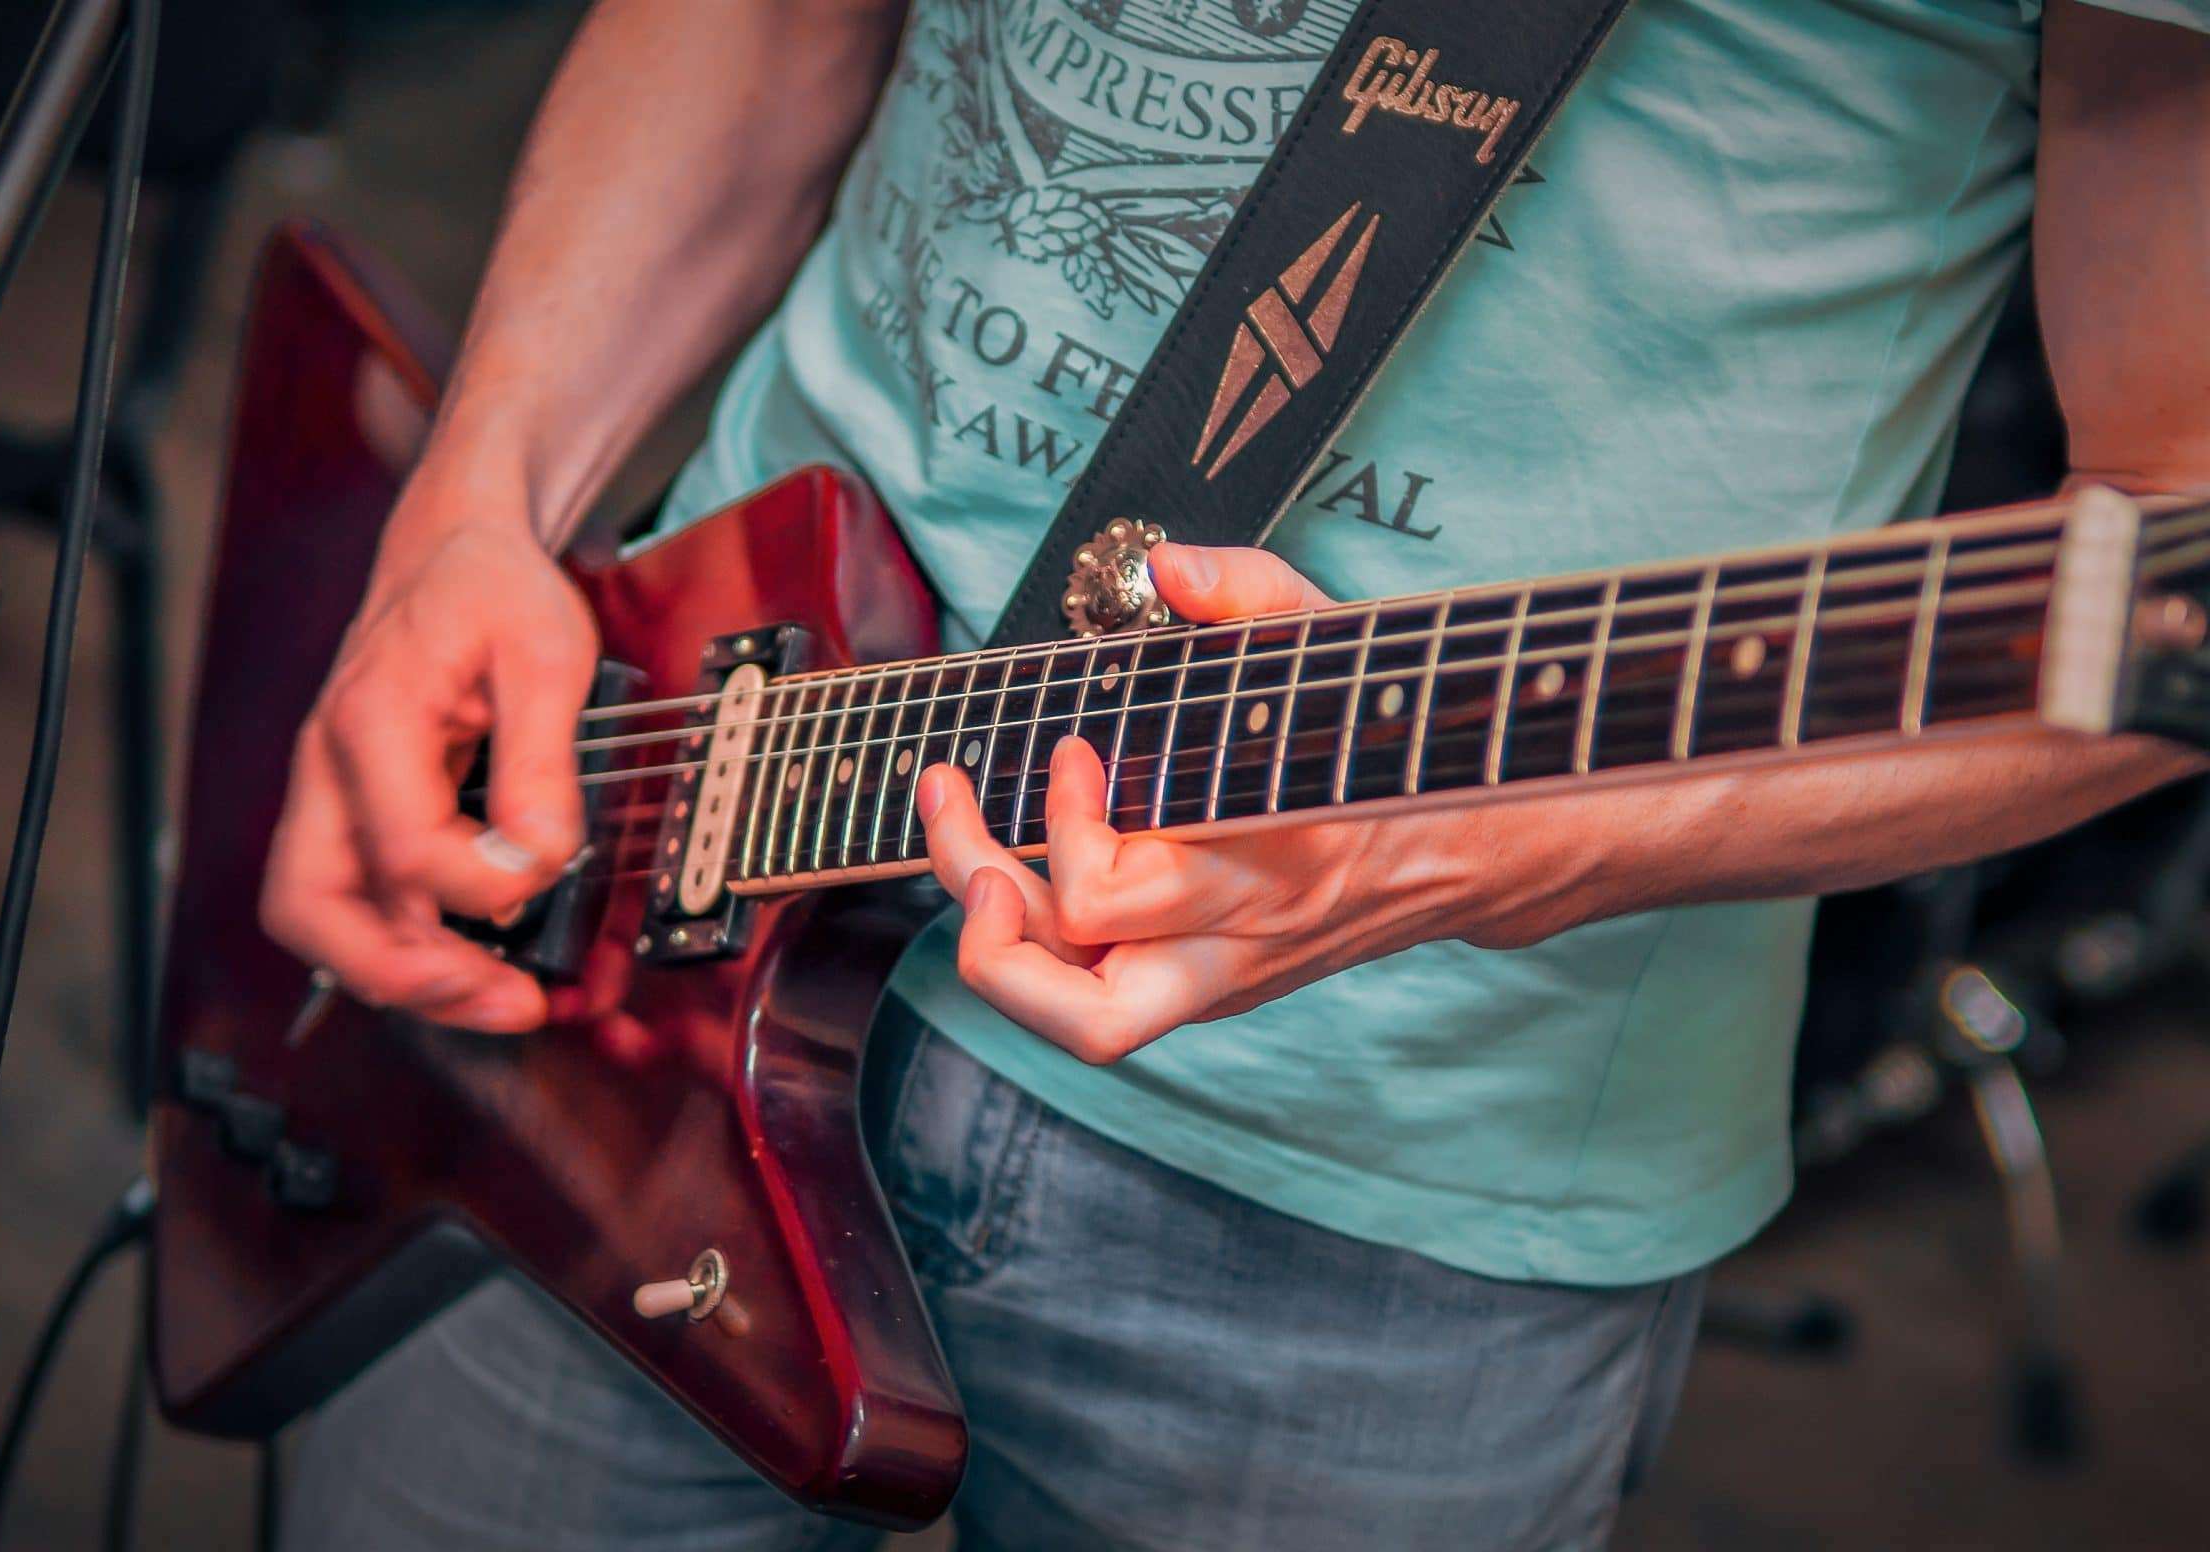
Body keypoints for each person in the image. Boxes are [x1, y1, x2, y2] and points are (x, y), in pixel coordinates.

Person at [263, 3, 2210, 1547]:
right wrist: (476, 497)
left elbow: (2165, 547)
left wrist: (1474, 849)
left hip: (1397, 1178)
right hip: (655, 812)